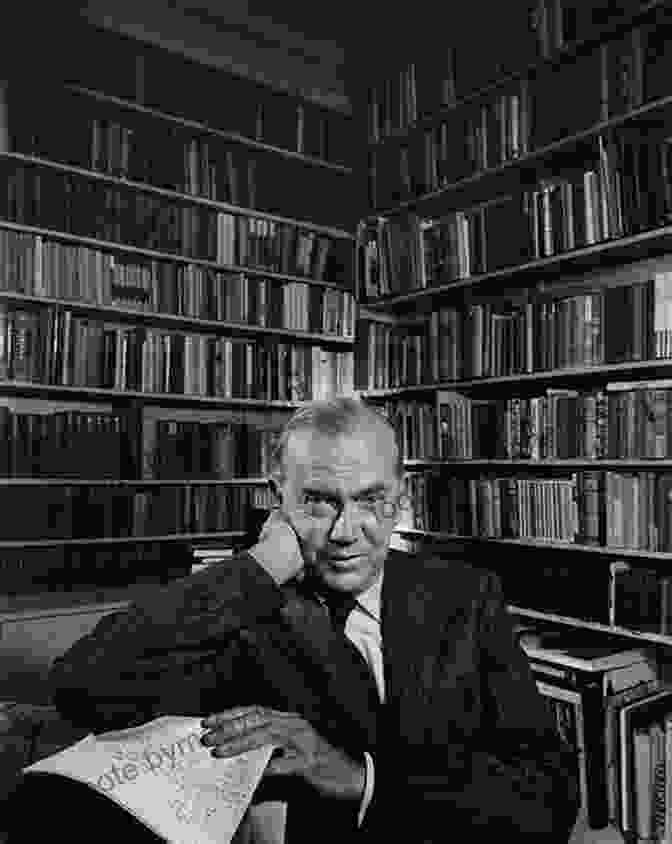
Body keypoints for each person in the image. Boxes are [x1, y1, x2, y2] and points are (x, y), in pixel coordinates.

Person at [43, 397, 579, 842]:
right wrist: (260, 567)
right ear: (278, 500)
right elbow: (82, 686)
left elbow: (548, 796)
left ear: (402, 499)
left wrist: (357, 778)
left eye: (371, 500)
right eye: (319, 502)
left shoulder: (464, 596)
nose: (347, 531)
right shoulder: (239, 607)